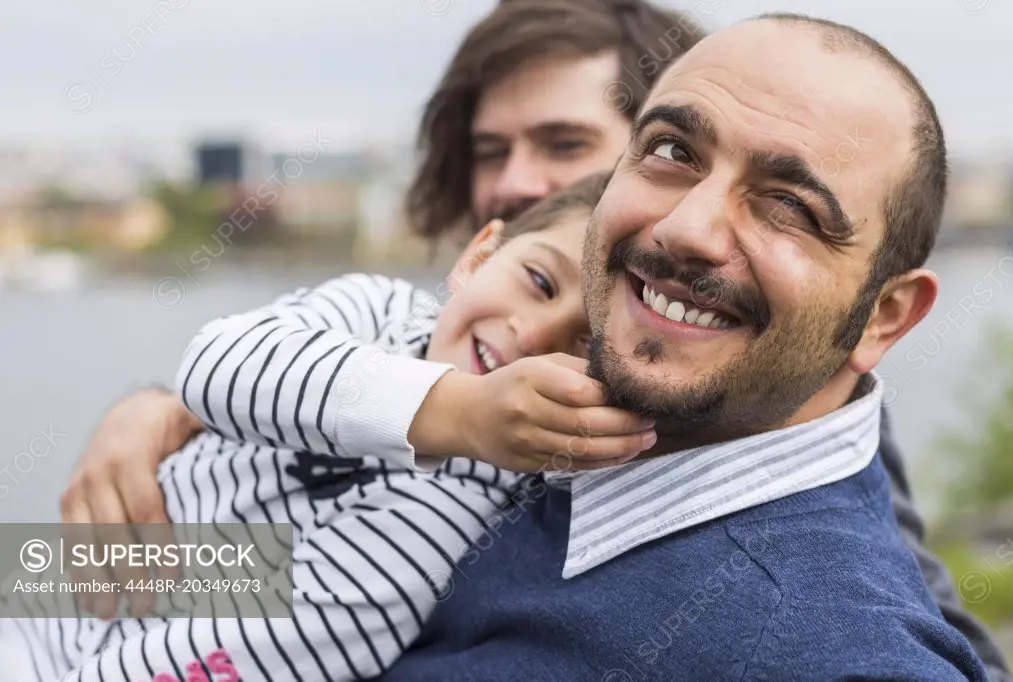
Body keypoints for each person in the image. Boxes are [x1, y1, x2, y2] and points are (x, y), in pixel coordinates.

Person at [56, 1, 1010, 679]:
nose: (515, 190)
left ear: (882, 317)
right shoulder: (488, 388)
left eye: (563, 150)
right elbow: (194, 582)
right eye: (675, 153)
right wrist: (157, 436)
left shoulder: (785, 571)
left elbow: (891, 625)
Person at [370, 13, 997, 681]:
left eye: (789, 203)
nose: (687, 226)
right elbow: (297, 566)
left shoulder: (826, 638)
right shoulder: (518, 388)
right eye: (673, 153)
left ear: (883, 317)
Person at [7, 173, 655, 682]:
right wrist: (456, 410)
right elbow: (215, 366)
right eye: (538, 281)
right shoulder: (377, 307)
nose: (535, 333)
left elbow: (274, 636)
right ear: (478, 255)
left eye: (582, 348)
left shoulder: (445, 518)